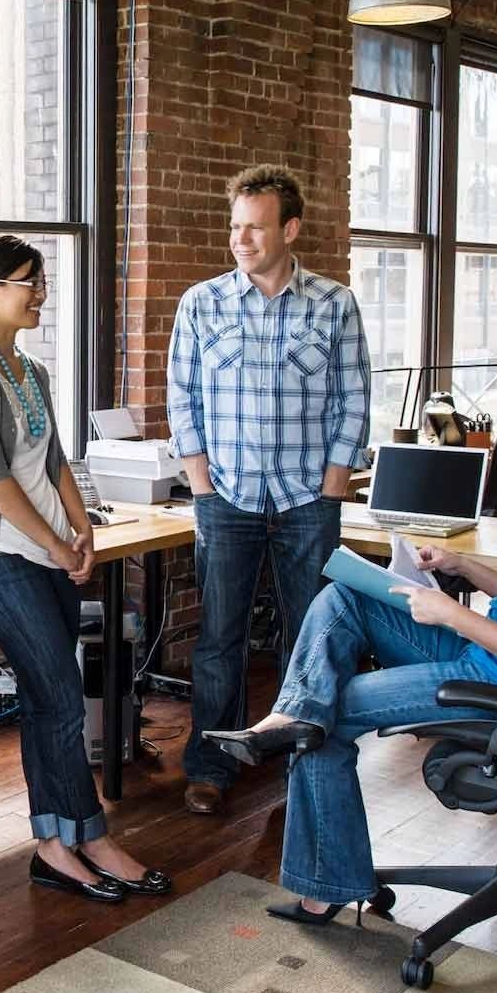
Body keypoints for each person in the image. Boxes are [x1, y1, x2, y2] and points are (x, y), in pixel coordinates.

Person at [203, 379, 497, 922]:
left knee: (328, 712)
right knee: (346, 595)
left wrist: (450, 612)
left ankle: (325, 881)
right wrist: (462, 568)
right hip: (485, 658)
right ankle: (289, 714)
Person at [0, 235, 169, 904]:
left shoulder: (27, 369)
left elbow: (56, 460)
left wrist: (82, 526)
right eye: (28, 282)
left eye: (42, 281)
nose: (40, 293)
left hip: (45, 550)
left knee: (48, 702)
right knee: (63, 697)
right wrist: (59, 546)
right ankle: (86, 837)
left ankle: (54, 843)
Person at [167, 165, 370, 816]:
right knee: (219, 639)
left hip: (308, 498)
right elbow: (182, 399)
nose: (241, 239)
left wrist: (333, 486)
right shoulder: (203, 303)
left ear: (290, 228)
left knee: (309, 638)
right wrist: (200, 484)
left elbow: (354, 399)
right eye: (236, 227)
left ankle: (301, 765)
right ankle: (211, 764)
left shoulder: (333, 303)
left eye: (255, 227)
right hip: (226, 497)